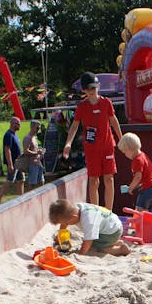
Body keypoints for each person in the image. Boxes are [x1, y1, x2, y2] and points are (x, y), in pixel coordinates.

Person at [62, 72, 122, 209]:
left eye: (93, 88)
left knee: (109, 178)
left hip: (107, 146)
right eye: (88, 88)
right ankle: (95, 211)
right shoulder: (82, 107)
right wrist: (68, 143)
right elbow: (74, 126)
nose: (91, 91)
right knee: (94, 181)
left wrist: (121, 138)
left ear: (98, 86)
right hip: (91, 149)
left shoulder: (106, 102)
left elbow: (113, 120)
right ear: (83, 90)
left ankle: (108, 211)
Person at [48, 198, 130, 256]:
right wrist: (60, 234)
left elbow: (88, 241)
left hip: (112, 232)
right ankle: (113, 242)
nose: (65, 224)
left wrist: (81, 254)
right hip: (111, 225)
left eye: (66, 223)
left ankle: (121, 249)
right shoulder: (76, 208)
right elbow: (64, 224)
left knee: (94, 248)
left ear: (73, 217)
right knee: (94, 242)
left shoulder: (88, 221)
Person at [117, 132, 152, 211]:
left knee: (140, 208)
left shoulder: (137, 160)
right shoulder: (143, 155)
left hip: (148, 188)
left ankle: (143, 218)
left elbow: (138, 177)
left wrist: (131, 187)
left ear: (129, 149)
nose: (125, 155)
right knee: (143, 207)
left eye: (124, 152)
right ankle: (145, 217)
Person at [0, 116, 24, 205]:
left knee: (21, 180)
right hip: (13, 163)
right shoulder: (8, 135)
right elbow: (7, 150)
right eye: (18, 124)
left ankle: (22, 198)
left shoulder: (15, 135)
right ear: (12, 124)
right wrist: (10, 164)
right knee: (9, 181)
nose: (19, 126)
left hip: (19, 162)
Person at [22, 120, 45, 191]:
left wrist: (40, 150)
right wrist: (37, 153)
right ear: (32, 127)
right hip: (32, 164)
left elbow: (34, 149)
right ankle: (29, 196)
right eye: (37, 128)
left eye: (39, 128)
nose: (38, 130)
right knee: (32, 184)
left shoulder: (34, 137)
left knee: (41, 182)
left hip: (38, 163)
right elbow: (26, 151)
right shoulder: (27, 138)